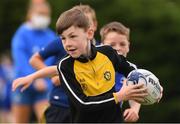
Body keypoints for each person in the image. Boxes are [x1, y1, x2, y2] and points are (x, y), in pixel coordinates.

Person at [12, 8, 148, 123]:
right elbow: (83, 104)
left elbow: (132, 70)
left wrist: (152, 85)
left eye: (72, 36)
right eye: (63, 38)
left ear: (90, 33)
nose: (67, 43)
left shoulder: (107, 53)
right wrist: (32, 77)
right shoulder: (65, 66)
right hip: (67, 111)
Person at [28, 4, 99, 123]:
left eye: (86, 22)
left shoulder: (101, 49)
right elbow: (34, 59)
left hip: (86, 107)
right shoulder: (63, 42)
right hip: (61, 105)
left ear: (94, 25)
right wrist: (55, 75)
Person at [11, 0, 56, 122]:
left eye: (46, 14)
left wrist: (43, 79)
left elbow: (52, 61)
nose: (43, 17)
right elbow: (20, 60)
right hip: (22, 84)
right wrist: (33, 78)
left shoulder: (51, 36)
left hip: (44, 85)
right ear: (30, 13)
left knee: (45, 119)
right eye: (40, 13)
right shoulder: (21, 34)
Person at [100, 21, 141, 122]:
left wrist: (134, 110)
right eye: (112, 44)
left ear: (128, 46)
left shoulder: (132, 70)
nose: (118, 48)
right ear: (102, 46)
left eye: (122, 44)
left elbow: (136, 91)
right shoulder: (93, 66)